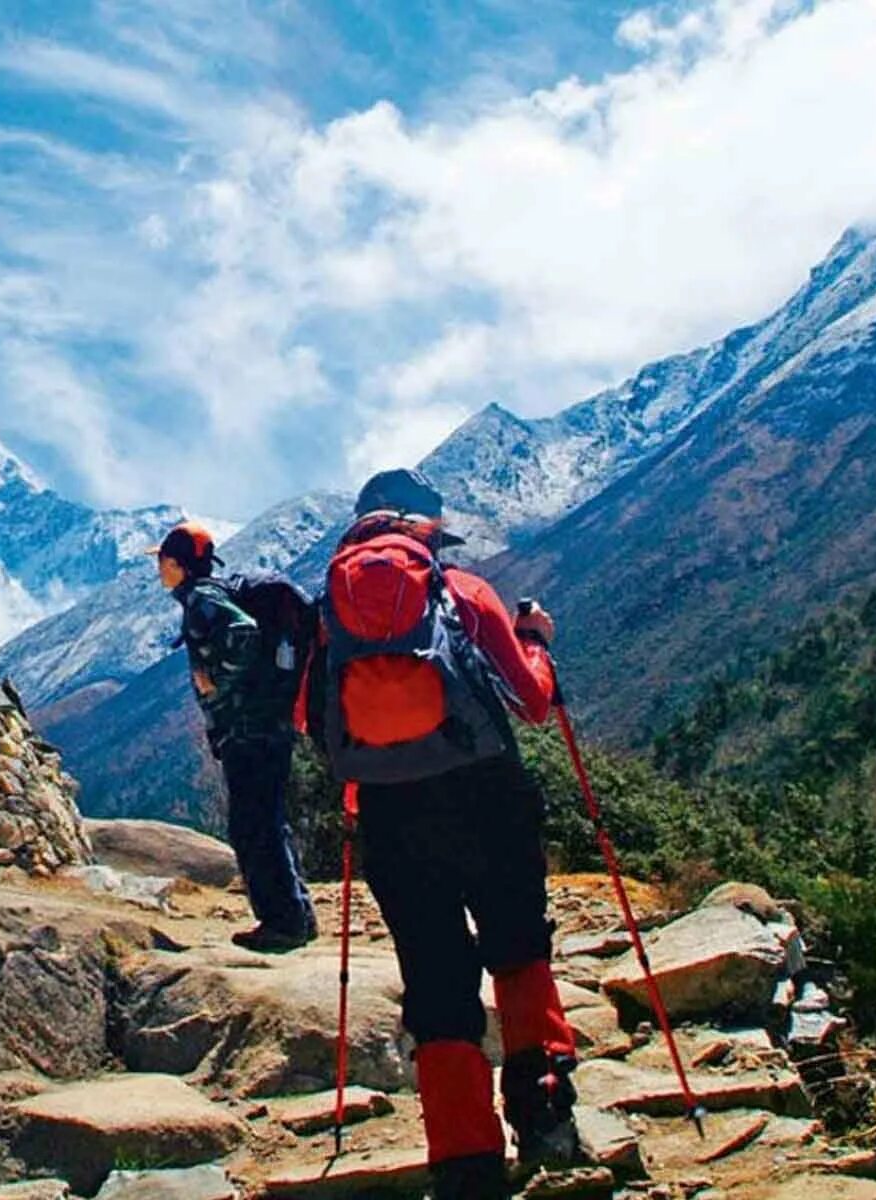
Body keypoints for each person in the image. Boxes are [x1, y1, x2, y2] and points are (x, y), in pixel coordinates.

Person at [306, 468, 579, 1199]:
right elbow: (531, 702)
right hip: (487, 794)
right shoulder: (461, 590)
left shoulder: (328, 612)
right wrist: (536, 642)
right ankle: (546, 1116)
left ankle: (464, 1162)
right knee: (518, 950)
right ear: (429, 526)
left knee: (435, 979)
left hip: (394, 814)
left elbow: (311, 723)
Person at [151, 520, 318, 953]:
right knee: (269, 819)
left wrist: (218, 681)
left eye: (162, 561)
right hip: (271, 721)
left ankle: (281, 923)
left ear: (176, 564)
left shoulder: (202, 598)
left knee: (251, 824)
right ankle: (297, 915)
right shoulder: (217, 591)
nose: (159, 570)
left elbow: (242, 633)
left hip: (248, 727)